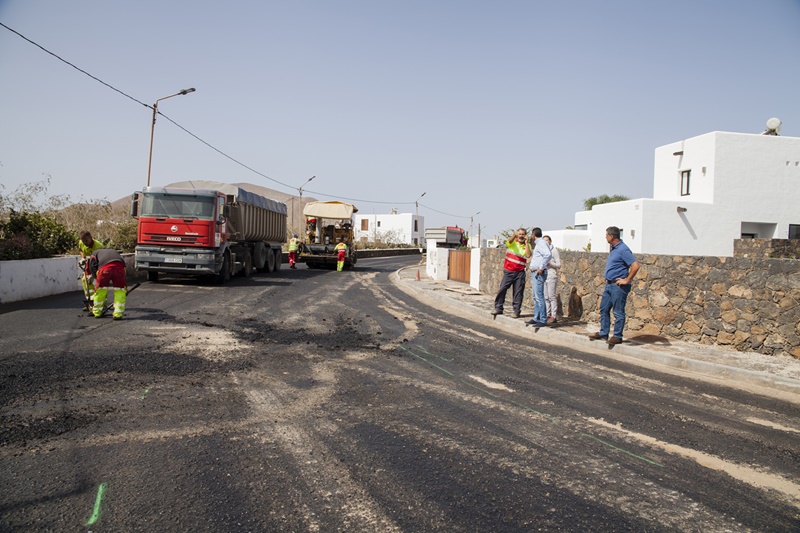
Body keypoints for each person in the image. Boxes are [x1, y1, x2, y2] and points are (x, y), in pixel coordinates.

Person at [589, 226, 640, 344]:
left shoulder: (623, 249)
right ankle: (603, 332)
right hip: (609, 284)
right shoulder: (614, 248)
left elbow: (635, 266)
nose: (605, 237)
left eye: (606, 235)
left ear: (611, 236)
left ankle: (617, 336)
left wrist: (627, 280)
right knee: (604, 308)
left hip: (618, 286)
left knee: (618, 311)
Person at [492, 228, 532, 318]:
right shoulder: (513, 242)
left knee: (518, 292)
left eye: (523, 234)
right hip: (508, 271)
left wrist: (526, 243)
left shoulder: (528, 245)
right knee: (502, 289)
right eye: (520, 234)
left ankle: (516, 311)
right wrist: (514, 235)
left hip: (520, 273)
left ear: (526, 235)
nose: (521, 236)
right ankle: (498, 308)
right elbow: (509, 241)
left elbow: (528, 255)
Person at [85, 248, 127, 320]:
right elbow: (124, 266)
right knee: (120, 290)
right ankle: (118, 314)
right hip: (120, 268)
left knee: (101, 290)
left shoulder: (94, 253)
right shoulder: (114, 252)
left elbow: (92, 267)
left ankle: (97, 312)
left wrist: (94, 277)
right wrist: (124, 287)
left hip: (105, 269)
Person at [527, 227, 552, 327]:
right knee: (535, 296)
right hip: (535, 272)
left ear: (533, 235)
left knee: (539, 297)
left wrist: (541, 268)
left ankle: (542, 319)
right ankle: (536, 317)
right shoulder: (539, 243)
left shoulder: (541, 243)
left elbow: (548, 255)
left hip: (539, 273)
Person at [78, 230, 104, 310]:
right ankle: (90, 302)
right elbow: (81, 250)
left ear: (90, 238)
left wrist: (93, 275)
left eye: (86, 241)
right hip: (90, 261)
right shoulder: (81, 242)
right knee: (85, 280)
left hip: (99, 263)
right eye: (83, 241)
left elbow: (100, 261)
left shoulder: (98, 246)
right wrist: (83, 258)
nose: (85, 243)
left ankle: (102, 303)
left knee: (98, 282)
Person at [543, 235, 561, 324]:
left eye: (547, 240)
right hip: (544, 276)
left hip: (551, 276)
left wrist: (550, 263)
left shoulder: (554, 251)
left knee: (551, 296)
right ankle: (547, 314)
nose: (546, 242)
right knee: (546, 297)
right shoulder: (543, 251)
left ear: (550, 241)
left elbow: (558, 265)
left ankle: (553, 316)